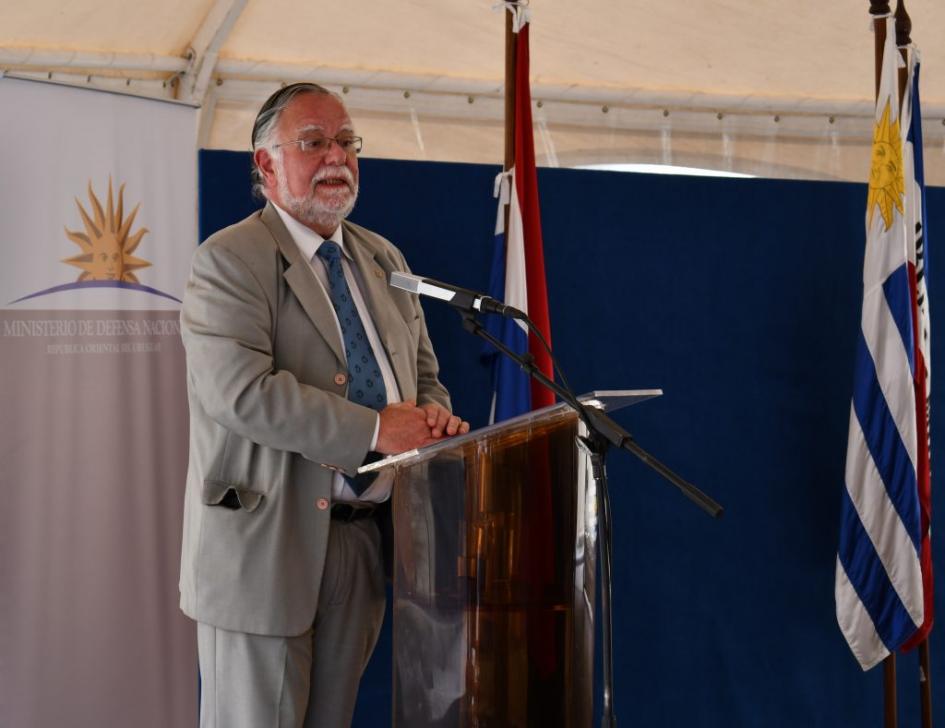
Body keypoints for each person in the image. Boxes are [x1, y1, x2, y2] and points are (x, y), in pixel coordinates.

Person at [178, 82, 469, 728]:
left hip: (361, 547)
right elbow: (240, 393)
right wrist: (374, 430)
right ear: (265, 164)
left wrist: (431, 420)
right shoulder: (229, 261)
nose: (335, 157)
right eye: (312, 143)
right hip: (265, 549)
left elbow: (423, 378)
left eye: (345, 142)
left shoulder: (382, 258)